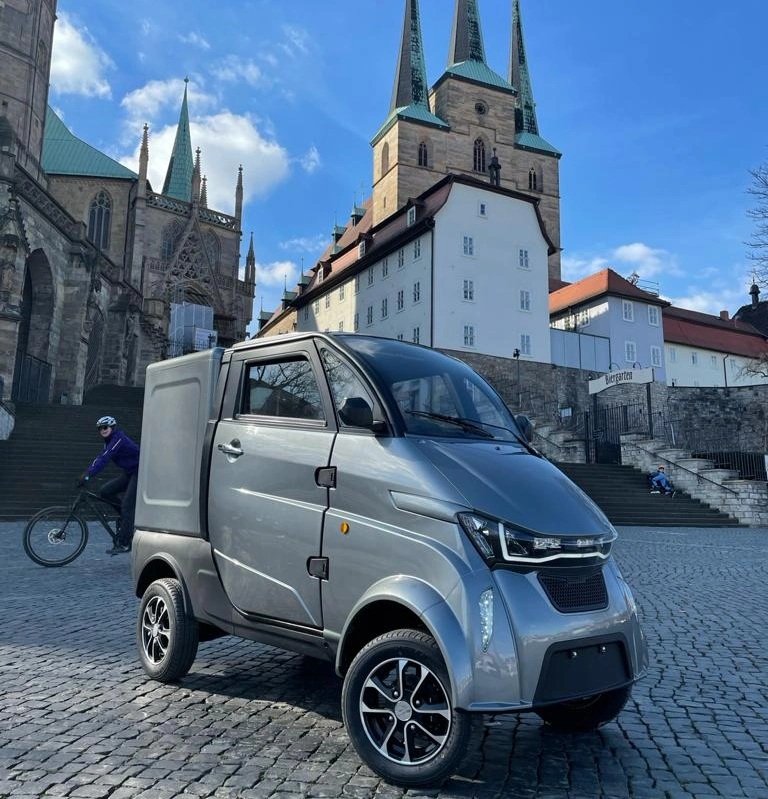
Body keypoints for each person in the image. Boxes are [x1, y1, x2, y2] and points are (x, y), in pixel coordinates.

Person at [80, 415, 140, 555]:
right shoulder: (108, 443)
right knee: (105, 491)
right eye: (100, 428)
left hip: (140, 471)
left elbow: (106, 457)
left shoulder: (118, 438)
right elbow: (101, 457)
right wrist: (87, 473)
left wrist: (88, 475)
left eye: (105, 427)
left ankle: (125, 543)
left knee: (127, 506)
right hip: (128, 472)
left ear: (112, 427)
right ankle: (127, 519)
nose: (103, 430)